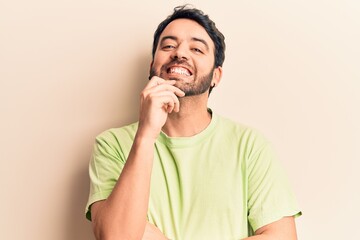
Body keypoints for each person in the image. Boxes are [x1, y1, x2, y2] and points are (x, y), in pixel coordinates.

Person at [85, 5, 301, 240]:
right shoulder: (112, 144)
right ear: (152, 65)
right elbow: (116, 237)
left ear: (216, 76)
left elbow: (282, 236)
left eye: (197, 48)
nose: (180, 54)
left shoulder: (250, 145)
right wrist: (146, 136)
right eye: (168, 45)